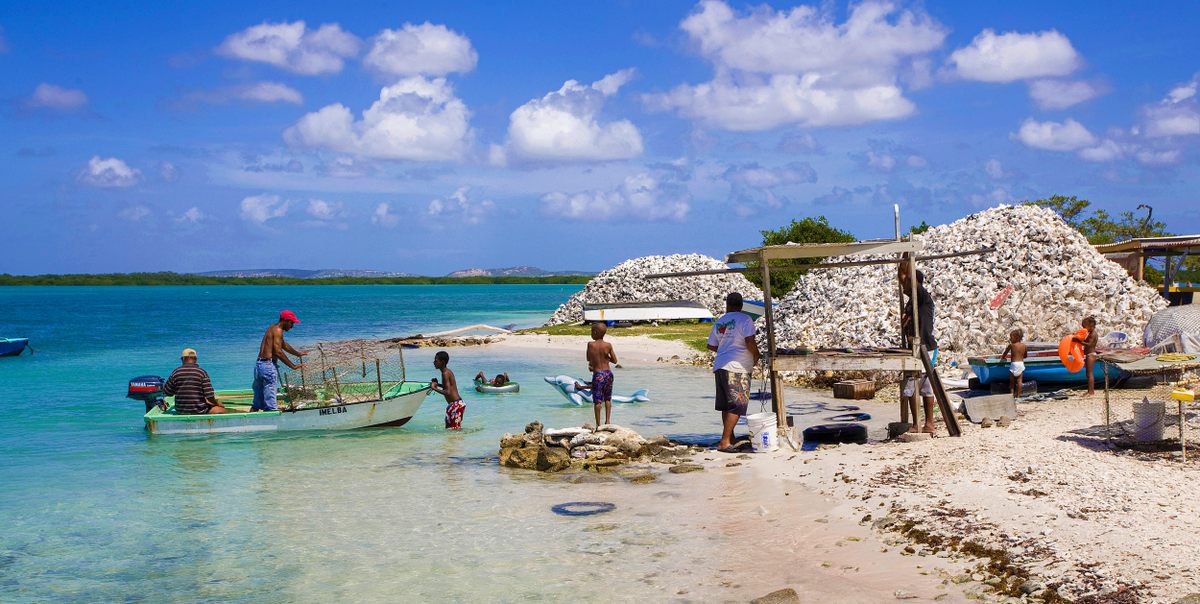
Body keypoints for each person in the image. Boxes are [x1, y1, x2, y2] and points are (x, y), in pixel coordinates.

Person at [707, 292, 760, 452]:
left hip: (720, 366)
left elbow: (710, 345)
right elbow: (749, 341)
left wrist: (725, 349)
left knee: (727, 406)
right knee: (737, 405)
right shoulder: (745, 319)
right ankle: (724, 442)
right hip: (738, 367)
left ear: (727, 305)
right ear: (741, 305)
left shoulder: (720, 321)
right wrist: (756, 355)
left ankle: (731, 437)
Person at [899, 265, 938, 434]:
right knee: (910, 386)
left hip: (926, 347)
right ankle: (916, 423)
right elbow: (902, 277)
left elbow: (908, 279)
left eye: (907, 284)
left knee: (925, 387)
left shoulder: (923, 297)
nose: (905, 288)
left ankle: (929, 423)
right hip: (912, 348)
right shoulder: (911, 303)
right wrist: (904, 258)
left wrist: (908, 260)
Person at [252, 310, 306, 412]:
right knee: (270, 396)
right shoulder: (278, 331)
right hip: (268, 365)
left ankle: (252, 417)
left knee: (257, 400)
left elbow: (283, 344)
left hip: (259, 365)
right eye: (291, 322)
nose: (292, 325)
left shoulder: (272, 328)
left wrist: (297, 353)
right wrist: (293, 366)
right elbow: (278, 352)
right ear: (285, 320)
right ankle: (272, 414)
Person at [164, 348, 237, 414]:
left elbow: (168, 392)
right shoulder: (202, 373)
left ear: (182, 359)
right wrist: (218, 404)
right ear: (195, 359)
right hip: (199, 410)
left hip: (181, 411)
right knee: (222, 410)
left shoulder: (176, 372)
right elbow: (210, 396)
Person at [573, 322, 618, 427]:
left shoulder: (590, 344)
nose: (591, 334)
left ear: (596, 332)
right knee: (607, 399)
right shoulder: (608, 345)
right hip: (608, 373)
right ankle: (607, 422)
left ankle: (598, 425)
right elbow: (615, 361)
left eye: (592, 331)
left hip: (598, 374)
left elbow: (588, 358)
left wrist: (593, 364)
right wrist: (606, 358)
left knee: (597, 401)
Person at [431, 350, 464, 430]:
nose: (434, 362)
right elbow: (448, 387)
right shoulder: (446, 372)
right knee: (450, 429)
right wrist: (437, 384)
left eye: (436, 360)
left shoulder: (445, 373)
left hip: (456, 405)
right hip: (455, 404)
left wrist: (434, 388)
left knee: (454, 430)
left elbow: (448, 392)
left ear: (442, 362)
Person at [1072, 316, 1099, 396]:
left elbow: (1089, 344)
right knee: (1088, 373)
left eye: (1084, 326)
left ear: (1091, 326)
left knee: (1089, 373)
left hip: (1091, 355)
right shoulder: (1090, 333)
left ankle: (1091, 392)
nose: (1084, 328)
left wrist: (1078, 341)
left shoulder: (1093, 334)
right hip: (1089, 355)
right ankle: (1090, 391)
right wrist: (1077, 337)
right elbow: (1085, 341)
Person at [1000, 328, 1028, 398]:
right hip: (1021, 364)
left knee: (1012, 382)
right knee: (1019, 381)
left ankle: (1011, 396)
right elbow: (1025, 356)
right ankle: (1018, 396)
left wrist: (1003, 358)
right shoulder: (1024, 346)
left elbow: (1004, 354)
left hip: (1014, 364)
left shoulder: (1011, 345)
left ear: (1016, 338)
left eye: (1011, 337)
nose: (1010, 339)